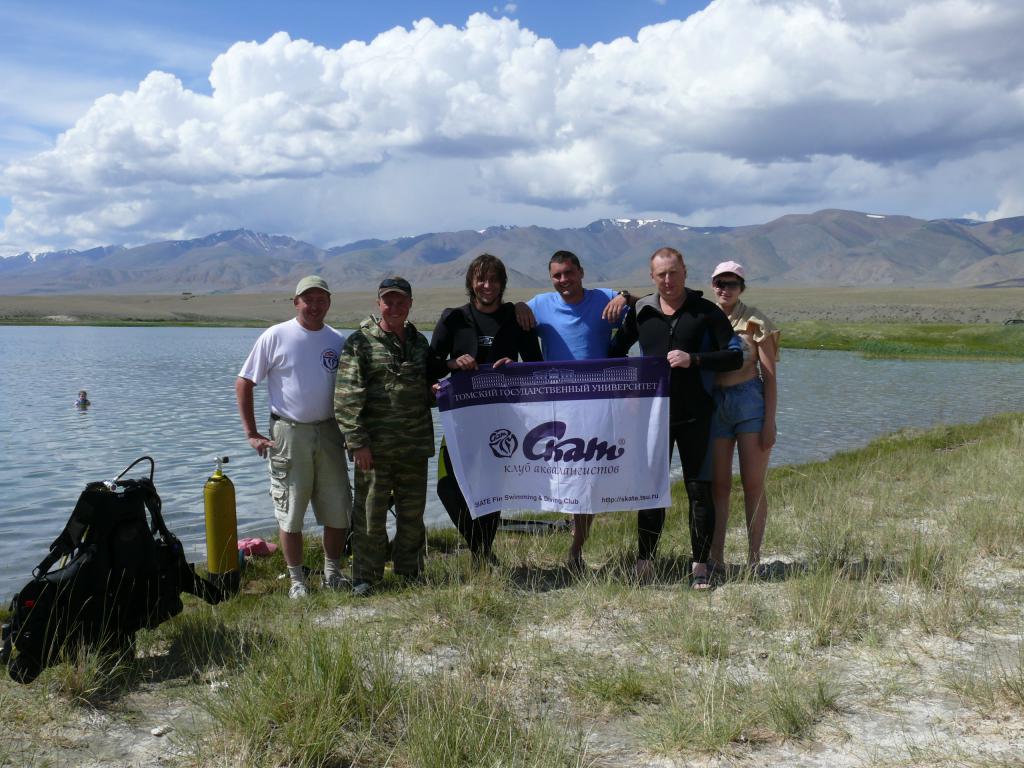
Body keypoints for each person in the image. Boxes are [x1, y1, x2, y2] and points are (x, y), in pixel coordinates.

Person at [610, 247, 742, 589]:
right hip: (652, 417)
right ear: (652, 278)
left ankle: (700, 567)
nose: (668, 280)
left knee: (699, 490)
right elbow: (613, 352)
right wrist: (628, 390)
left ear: (685, 272)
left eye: (673, 273)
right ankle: (645, 563)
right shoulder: (642, 311)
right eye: (661, 275)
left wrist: (693, 359)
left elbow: (733, 357)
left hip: (696, 414)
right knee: (651, 490)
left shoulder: (706, 311)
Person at [236, 276, 353, 599]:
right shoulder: (276, 336)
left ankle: (333, 572)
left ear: (328, 303)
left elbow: (351, 391)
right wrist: (252, 433)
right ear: (296, 302)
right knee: (291, 511)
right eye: (308, 299)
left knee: (338, 507)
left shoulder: (337, 341)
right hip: (289, 432)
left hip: (330, 432)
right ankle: (297, 581)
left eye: (321, 300)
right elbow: (245, 381)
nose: (314, 306)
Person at [516, 250, 632, 570]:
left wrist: (625, 297)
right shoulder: (539, 304)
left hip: (597, 406)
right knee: (562, 476)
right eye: (557, 275)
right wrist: (517, 306)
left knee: (588, 479)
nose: (563, 280)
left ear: (581, 272)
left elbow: (648, 302)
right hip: (557, 407)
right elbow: (510, 318)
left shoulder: (603, 298)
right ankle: (571, 533)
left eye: (569, 273)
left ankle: (576, 549)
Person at [335, 276, 448, 595]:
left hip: (413, 445)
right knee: (370, 515)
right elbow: (346, 396)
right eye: (388, 301)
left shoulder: (419, 342)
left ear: (410, 304)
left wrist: (438, 391)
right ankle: (366, 577)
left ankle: (409, 571)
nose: (394, 307)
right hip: (374, 449)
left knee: (412, 515)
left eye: (401, 302)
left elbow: (425, 390)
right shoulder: (360, 342)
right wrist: (357, 443)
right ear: (378, 304)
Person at [430, 254, 543, 566]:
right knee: (446, 487)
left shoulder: (517, 317)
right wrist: (452, 365)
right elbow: (429, 365)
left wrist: (515, 367)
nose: (487, 285)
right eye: (481, 279)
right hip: (462, 420)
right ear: (471, 282)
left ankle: (483, 557)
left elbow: (537, 367)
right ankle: (481, 550)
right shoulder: (453, 318)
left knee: (491, 489)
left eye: (494, 280)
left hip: (503, 418)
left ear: (502, 284)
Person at [707, 261, 780, 574]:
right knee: (718, 486)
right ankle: (716, 558)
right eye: (720, 283)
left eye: (732, 283)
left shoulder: (755, 321)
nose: (726, 289)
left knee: (753, 484)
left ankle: (754, 559)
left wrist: (769, 422)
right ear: (713, 285)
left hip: (750, 403)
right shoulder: (705, 319)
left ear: (741, 288)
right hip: (715, 404)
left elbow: (770, 376)